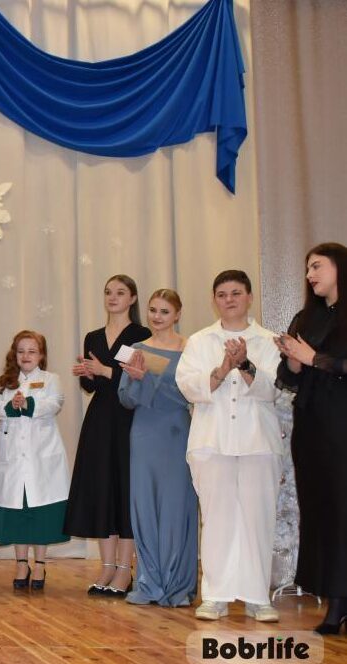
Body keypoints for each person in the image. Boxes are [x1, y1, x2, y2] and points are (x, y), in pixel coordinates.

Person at [176, 270, 282, 622]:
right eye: (222, 294)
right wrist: (224, 367)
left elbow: (275, 389)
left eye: (236, 293)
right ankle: (216, 595)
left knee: (257, 518)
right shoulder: (199, 341)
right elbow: (189, 387)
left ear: (249, 297)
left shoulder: (268, 341)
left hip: (258, 441)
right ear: (214, 300)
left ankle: (257, 597)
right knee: (217, 518)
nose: (229, 300)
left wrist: (246, 364)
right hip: (211, 441)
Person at [275, 242, 347, 634]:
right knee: (321, 513)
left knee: (342, 512)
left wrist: (314, 358)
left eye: (317, 266)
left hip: (342, 427)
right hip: (312, 429)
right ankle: (333, 597)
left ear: (339, 266)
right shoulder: (305, 318)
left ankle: (339, 606)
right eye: (307, 269)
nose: (310, 275)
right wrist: (292, 361)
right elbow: (286, 379)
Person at [63, 274, 150, 596]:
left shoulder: (141, 335)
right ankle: (107, 566)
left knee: (125, 490)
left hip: (129, 418)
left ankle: (125, 569)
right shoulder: (93, 336)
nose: (113, 297)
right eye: (108, 292)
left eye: (120, 292)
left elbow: (140, 380)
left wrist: (104, 371)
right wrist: (87, 373)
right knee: (102, 490)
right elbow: (91, 386)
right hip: (99, 420)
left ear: (132, 298)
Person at [117, 289, 196, 607]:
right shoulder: (134, 349)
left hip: (176, 432)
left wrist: (148, 379)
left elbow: (189, 394)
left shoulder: (191, 348)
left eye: (164, 311)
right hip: (144, 433)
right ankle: (150, 581)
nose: (157, 317)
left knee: (176, 505)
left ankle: (178, 585)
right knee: (145, 504)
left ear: (177, 314)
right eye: (152, 310)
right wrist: (137, 380)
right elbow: (125, 398)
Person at [0, 330, 69, 590]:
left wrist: (28, 404)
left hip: (41, 456)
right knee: (18, 512)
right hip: (12, 457)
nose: (26, 356)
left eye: (32, 351)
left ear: (41, 355)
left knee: (40, 513)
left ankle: (41, 565)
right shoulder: (5, 382)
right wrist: (11, 406)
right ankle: (22, 563)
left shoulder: (51, 379)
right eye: (21, 351)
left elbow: (54, 403)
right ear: (14, 354)